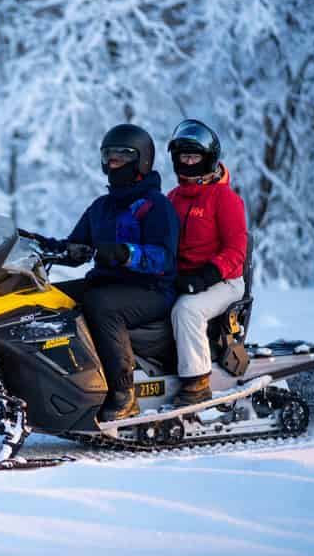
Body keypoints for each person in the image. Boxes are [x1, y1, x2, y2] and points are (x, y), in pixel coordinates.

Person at [21, 124, 179, 421]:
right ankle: (61, 383)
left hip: (152, 290)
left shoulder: (156, 206)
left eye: (122, 155)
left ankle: (124, 392)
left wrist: (125, 253)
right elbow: (75, 246)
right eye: (108, 155)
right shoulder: (101, 207)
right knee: (46, 298)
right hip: (108, 284)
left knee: (101, 305)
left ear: (142, 160)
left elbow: (163, 258)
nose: (113, 162)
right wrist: (36, 243)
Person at [166, 119, 247, 405]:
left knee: (187, 310)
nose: (188, 162)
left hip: (224, 281)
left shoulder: (224, 198)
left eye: (194, 156)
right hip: (183, 278)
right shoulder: (173, 198)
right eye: (183, 156)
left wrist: (205, 276)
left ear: (208, 159)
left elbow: (237, 250)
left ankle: (197, 382)